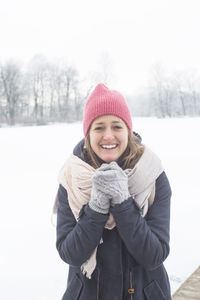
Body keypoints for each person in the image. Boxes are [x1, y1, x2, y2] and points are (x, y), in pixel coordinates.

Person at [55, 83, 172, 300]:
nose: (108, 136)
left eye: (117, 126)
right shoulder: (71, 178)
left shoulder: (152, 174)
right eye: (99, 127)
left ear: (128, 130)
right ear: (88, 133)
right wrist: (96, 207)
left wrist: (122, 202)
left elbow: (155, 254)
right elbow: (70, 253)